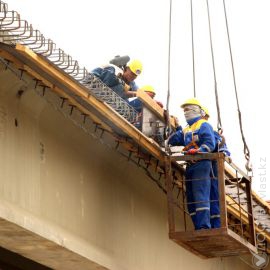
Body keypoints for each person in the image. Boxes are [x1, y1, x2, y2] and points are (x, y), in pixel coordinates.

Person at [168, 98, 216, 230]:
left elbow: (209, 143)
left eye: (187, 109)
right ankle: (197, 226)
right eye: (184, 110)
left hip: (201, 164)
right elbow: (175, 139)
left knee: (201, 195)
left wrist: (199, 150)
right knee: (191, 198)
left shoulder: (203, 125)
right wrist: (171, 127)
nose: (185, 113)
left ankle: (204, 227)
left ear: (196, 110)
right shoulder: (187, 129)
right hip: (190, 166)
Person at [201, 106, 231, 228]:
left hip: (213, 167)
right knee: (204, 197)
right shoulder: (193, 129)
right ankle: (207, 224)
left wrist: (224, 154)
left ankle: (216, 226)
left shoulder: (211, 131)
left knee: (215, 196)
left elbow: (223, 147)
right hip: (203, 167)